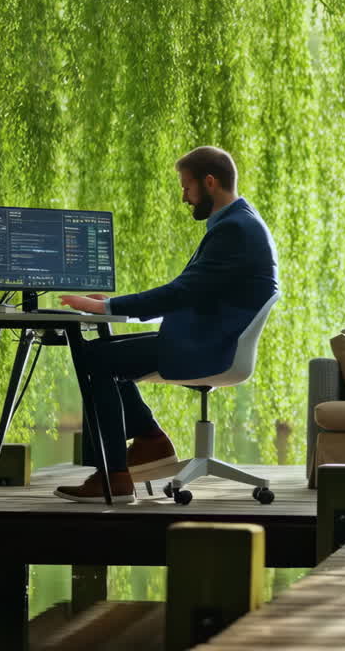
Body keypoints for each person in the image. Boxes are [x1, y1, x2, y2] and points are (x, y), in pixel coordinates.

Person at [52, 146, 279, 503]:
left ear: (209, 182)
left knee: (94, 359)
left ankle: (113, 476)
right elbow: (194, 294)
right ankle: (150, 441)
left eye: (187, 187)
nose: (184, 197)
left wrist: (108, 305)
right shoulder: (240, 222)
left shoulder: (234, 229)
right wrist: (110, 306)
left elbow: (182, 292)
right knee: (100, 353)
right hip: (210, 337)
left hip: (211, 347)